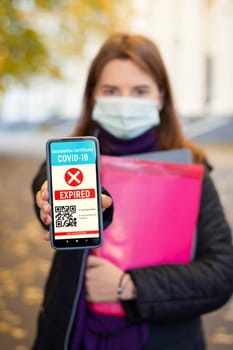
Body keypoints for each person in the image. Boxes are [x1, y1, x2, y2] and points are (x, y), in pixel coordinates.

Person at [31, 33, 233, 350]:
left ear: (161, 97)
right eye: (111, 91)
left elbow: (221, 273)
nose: (125, 103)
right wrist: (49, 199)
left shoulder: (191, 170)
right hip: (72, 336)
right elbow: (47, 198)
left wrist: (130, 286)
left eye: (140, 91)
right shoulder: (70, 160)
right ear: (93, 98)